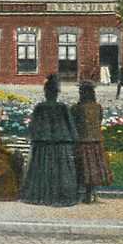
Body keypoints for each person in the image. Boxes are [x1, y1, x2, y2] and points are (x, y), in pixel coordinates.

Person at [20, 74, 80, 207]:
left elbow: (33, 127)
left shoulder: (40, 107)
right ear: (56, 92)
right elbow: (71, 126)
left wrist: (33, 137)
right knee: (60, 172)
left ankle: (42, 195)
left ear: (46, 92)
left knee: (42, 170)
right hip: (60, 144)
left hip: (43, 145)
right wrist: (75, 140)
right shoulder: (62, 107)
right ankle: (59, 196)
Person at [70, 82, 113, 203]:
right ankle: (90, 193)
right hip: (96, 142)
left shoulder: (77, 108)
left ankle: (81, 194)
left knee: (82, 168)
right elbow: (99, 121)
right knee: (93, 169)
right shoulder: (98, 107)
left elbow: (73, 124)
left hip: (82, 142)